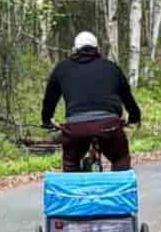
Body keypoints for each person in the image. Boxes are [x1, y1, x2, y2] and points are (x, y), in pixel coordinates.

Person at [40, 29, 142, 171]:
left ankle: (74, 188)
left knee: (71, 161)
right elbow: (128, 98)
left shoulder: (62, 69)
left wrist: (46, 121)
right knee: (120, 158)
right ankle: (118, 191)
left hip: (76, 128)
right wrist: (134, 117)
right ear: (97, 49)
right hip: (109, 127)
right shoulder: (111, 68)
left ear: (74, 50)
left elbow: (49, 100)